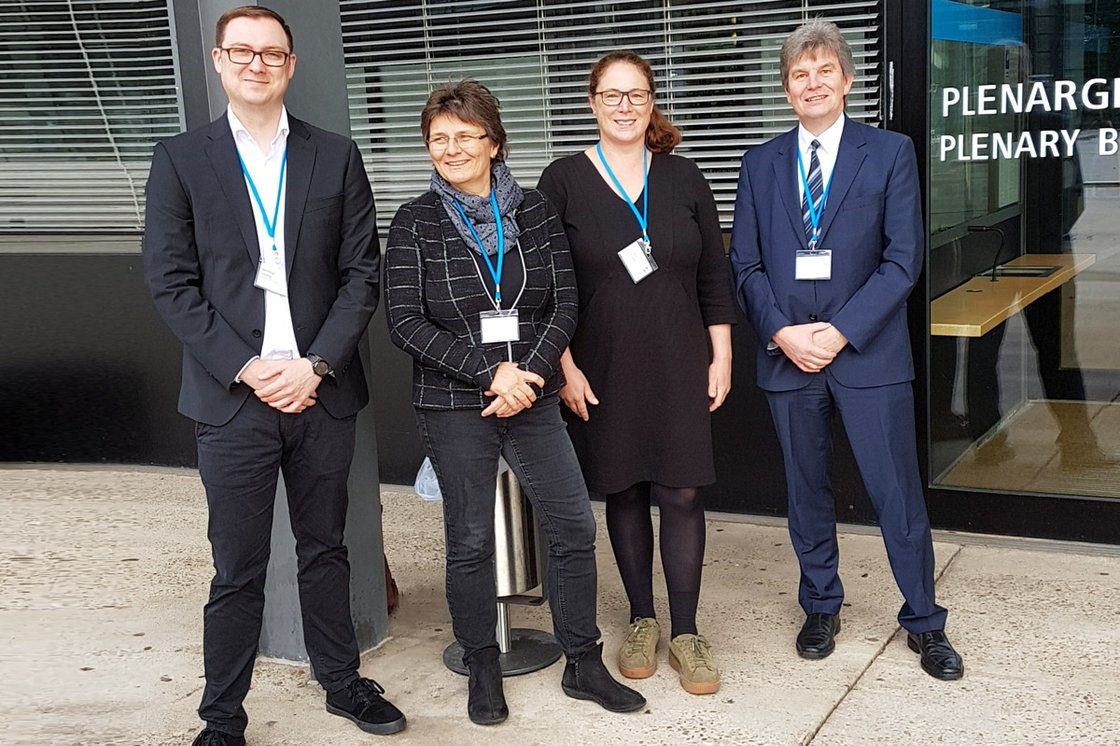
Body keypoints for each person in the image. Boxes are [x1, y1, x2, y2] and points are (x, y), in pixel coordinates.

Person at [142, 7, 406, 744]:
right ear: (219, 63)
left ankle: (343, 683)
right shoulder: (181, 160)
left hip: (321, 392)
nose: (257, 64)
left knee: (327, 551)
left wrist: (315, 365)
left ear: (290, 66)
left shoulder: (336, 156)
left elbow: (361, 274)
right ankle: (222, 719)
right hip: (233, 400)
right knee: (238, 568)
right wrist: (252, 367)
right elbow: (170, 285)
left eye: (272, 53)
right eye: (242, 52)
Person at [384, 79, 646, 725]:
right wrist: (489, 375)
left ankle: (583, 662)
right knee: (468, 539)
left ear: (494, 143)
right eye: (438, 138)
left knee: (572, 526)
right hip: (454, 404)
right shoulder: (413, 221)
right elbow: (405, 323)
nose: (451, 149)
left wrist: (525, 376)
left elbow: (564, 301)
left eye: (465, 136)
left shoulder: (533, 211)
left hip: (532, 396)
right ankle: (481, 664)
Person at [729, 19, 963, 681]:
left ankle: (924, 621)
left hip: (867, 355)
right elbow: (744, 264)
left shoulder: (889, 153)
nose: (812, 83)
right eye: (799, 74)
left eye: (823, 71)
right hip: (788, 358)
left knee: (897, 493)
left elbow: (902, 261)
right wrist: (782, 332)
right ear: (786, 87)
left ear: (847, 80)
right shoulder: (760, 163)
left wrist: (839, 331)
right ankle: (821, 606)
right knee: (807, 493)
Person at [538, 51, 737, 696]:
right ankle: (641, 619)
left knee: (681, 491)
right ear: (592, 102)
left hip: (681, 358)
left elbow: (714, 273)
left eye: (637, 94)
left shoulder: (684, 177)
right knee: (623, 490)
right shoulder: (562, 181)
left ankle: (687, 630)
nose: (625, 105)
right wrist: (563, 365)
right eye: (612, 94)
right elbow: (545, 285)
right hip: (602, 364)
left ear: (651, 103)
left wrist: (723, 353)